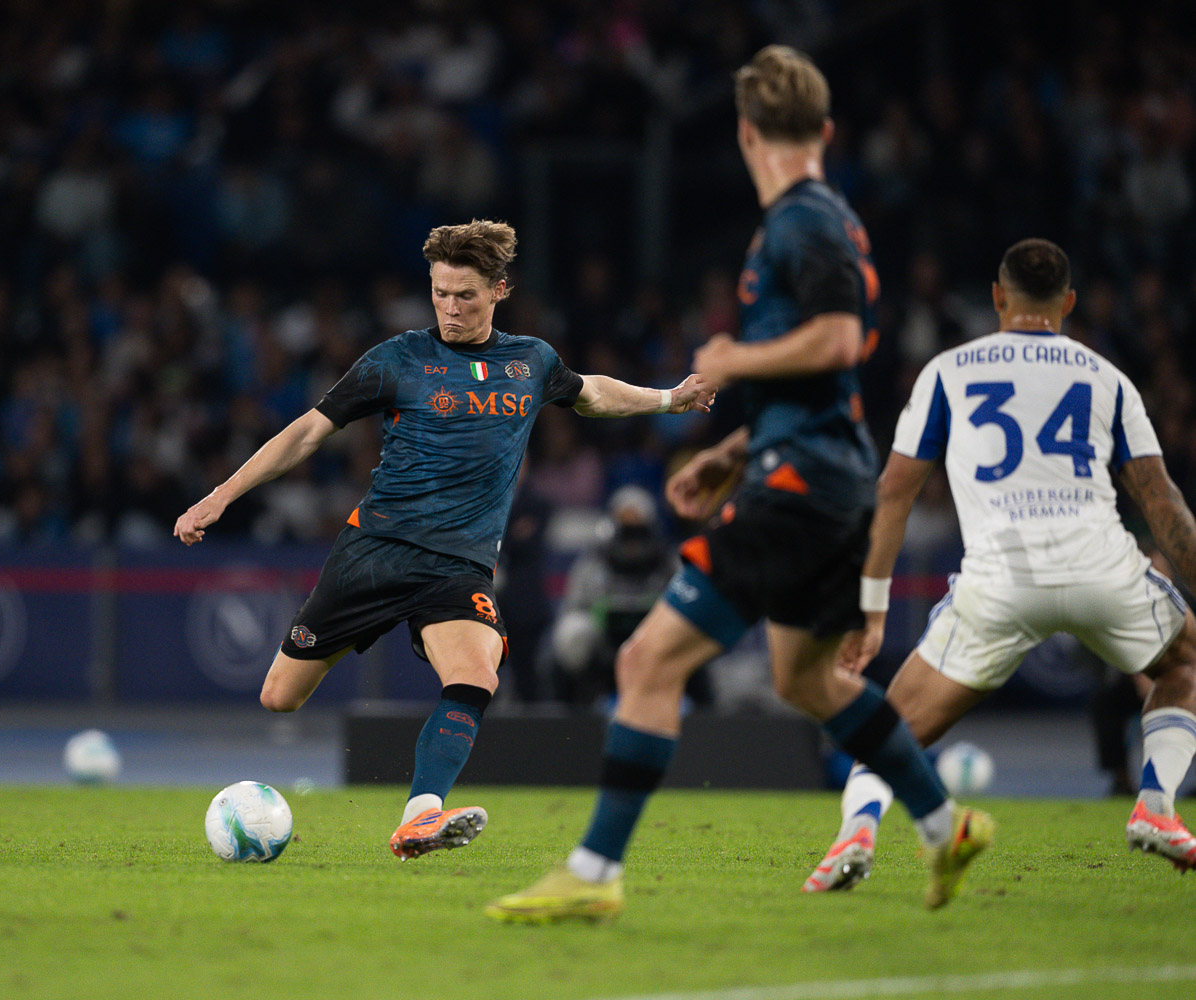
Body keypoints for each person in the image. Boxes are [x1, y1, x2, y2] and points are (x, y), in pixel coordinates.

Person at [487, 45, 990, 923]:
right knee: (807, 682)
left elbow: (838, 340)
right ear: (824, 129)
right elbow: (827, 380)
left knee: (647, 659)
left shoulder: (802, 222)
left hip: (798, 490)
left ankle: (594, 870)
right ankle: (947, 826)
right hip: (819, 473)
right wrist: (733, 450)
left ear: (746, 134)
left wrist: (734, 357)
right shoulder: (820, 222)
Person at [175, 219, 716, 859]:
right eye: (439, 294)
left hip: (458, 566)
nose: (450, 308)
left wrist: (669, 399)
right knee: (279, 698)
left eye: (465, 295)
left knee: (477, 674)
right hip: (375, 553)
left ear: (499, 291)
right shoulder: (398, 359)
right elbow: (308, 432)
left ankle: (419, 816)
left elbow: (592, 394)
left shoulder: (531, 362)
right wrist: (220, 496)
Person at [804, 238, 1196, 890]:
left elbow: (894, 493)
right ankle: (1156, 805)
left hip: (999, 581)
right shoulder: (1107, 378)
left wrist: (870, 611)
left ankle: (856, 833)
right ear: (1068, 303)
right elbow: (1162, 502)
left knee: (893, 725)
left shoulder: (947, 372)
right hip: (1101, 568)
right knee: (1183, 663)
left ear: (997, 298)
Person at [546, 485, 681, 705]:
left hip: (656, 634)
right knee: (572, 632)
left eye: (637, 528)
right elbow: (573, 605)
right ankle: (573, 706)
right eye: (626, 528)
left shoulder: (666, 561)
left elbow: (683, 602)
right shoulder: (594, 559)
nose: (632, 539)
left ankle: (697, 707)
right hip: (602, 637)